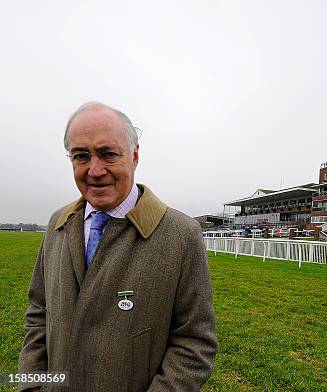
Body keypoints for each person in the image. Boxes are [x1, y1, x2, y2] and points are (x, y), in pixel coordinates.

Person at [18, 102, 217, 391]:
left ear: (134, 156)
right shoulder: (57, 224)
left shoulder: (181, 235)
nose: (95, 170)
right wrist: (31, 384)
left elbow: (194, 342)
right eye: (81, 156)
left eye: (108, 154)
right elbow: (38, 311)